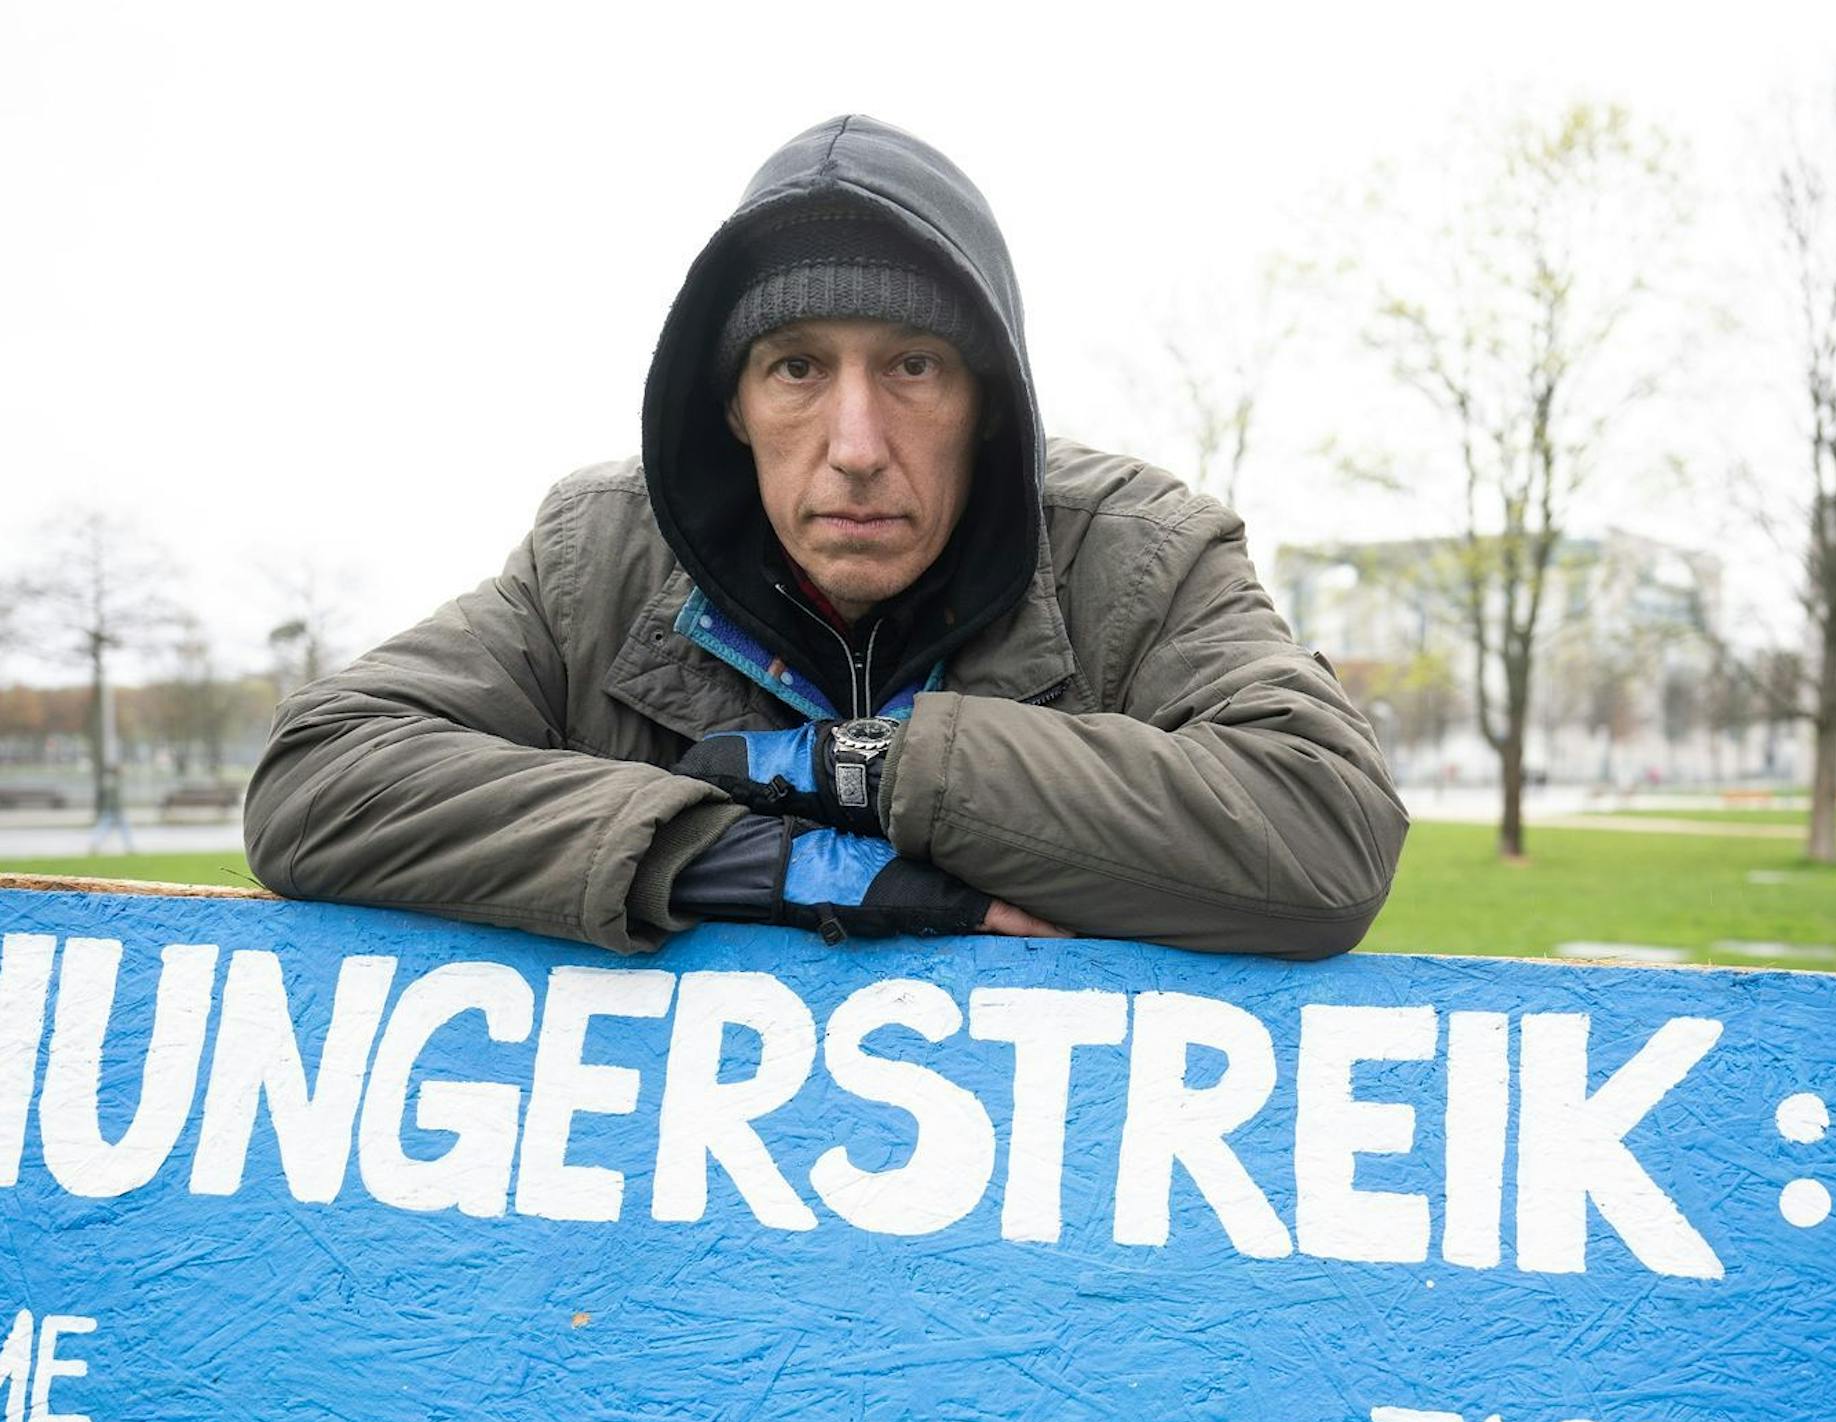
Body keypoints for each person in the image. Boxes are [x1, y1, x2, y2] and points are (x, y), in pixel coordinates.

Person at [244, 115, 1406, 958]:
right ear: (733, 406)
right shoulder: (596, 559)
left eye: (912, 365)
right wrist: (750, 856)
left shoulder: (1134, 555)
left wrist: (868, 769)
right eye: (796, 366)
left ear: (989, 400)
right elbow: (321, 776)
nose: (855, 442)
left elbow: (1321, 833)